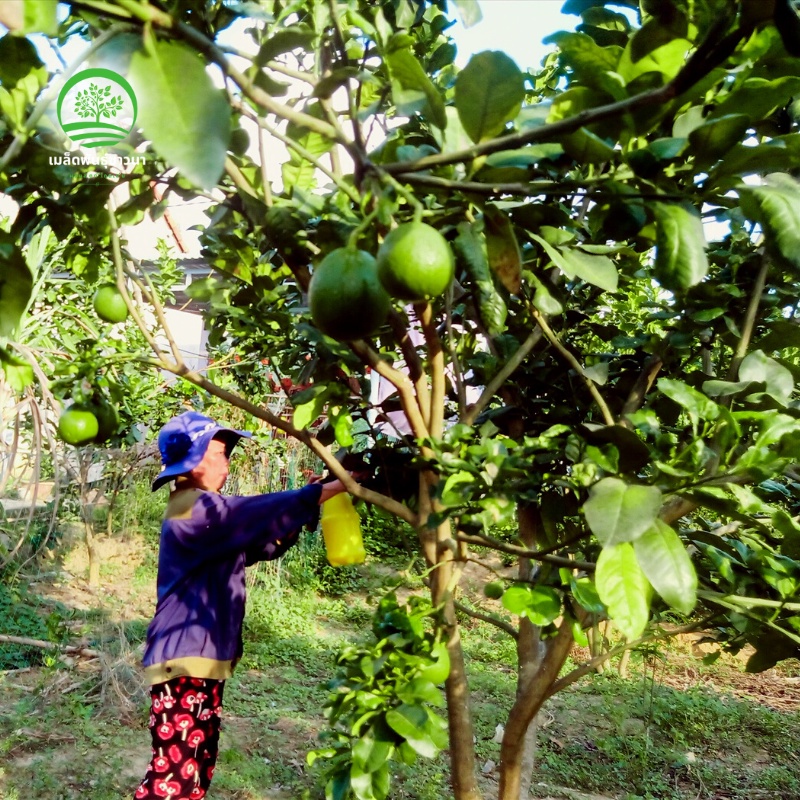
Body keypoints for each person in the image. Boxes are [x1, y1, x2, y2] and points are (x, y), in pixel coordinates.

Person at [133, 410, 352, 800]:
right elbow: (249, 515)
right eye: (217, 452)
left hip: (201, 663)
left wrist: (311, 502)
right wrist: (327, 490)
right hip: (184, 663)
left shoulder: (207, 512)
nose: (225, 462)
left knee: (195, 768)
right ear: (193, 460)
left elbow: (258, 543)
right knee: (174, 782)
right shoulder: (189, 508)